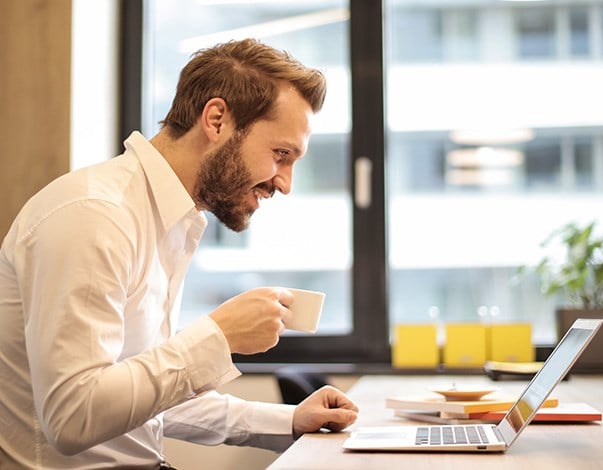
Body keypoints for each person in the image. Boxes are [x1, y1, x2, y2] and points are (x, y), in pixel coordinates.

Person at [0, 38, 358, 468]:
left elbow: (144, 397)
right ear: (217, 119)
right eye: (281, 154)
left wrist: (290, 421)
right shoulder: (95, 216)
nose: (285, 183)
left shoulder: (170, 221)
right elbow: (73, 417)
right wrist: (217, 337)